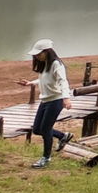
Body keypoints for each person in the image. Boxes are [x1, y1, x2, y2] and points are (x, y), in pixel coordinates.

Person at [16, 38, 75, 168]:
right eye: (35, 55)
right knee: (37, 129)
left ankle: (46, 158)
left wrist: (66, 98)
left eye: (38, 54)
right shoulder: (45, 65)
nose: (37, 57)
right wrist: (30, 83)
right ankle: (63, 136)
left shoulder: (56, 64)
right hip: (45, 100)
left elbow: (62, 81)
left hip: (55, 100)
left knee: (46, 129)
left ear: (47, 52)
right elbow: (45, 80)